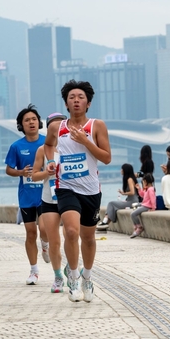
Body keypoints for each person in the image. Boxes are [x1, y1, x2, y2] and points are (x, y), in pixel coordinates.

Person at [44, 80, 111, 303]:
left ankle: (87, 277)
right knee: (71, 231)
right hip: (66, 187)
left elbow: (106, 158)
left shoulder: (96, 126)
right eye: (71, 97)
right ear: (66, 103)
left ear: (88, 103)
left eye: (81, 97)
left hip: (91, 189)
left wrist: (85, 141)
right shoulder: (57, 127)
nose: (76, 101)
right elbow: (48, 145)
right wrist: (51, 162)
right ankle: (72, 277)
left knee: (88, 238)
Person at [5, 104, 50, 285]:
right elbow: (9, 169)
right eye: (27, 120)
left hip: (46, 193)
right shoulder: (16, 146)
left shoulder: (48, 143)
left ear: (39, 122)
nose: (31, 122)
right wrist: (20, 172)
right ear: (21, 125)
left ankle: (45, 245)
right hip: (26, 196)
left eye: (34, 119)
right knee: (31, 233)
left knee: (45, 229)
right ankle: (34, 271)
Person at [31, 112, 68, 293]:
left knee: (71, 235)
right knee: (54, 241)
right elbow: (34, 175)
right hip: (49, 197)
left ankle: (72, 267)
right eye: (54, 125)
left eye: (61, 124)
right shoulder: (42, 150)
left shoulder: (72, 146)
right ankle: (58, 276)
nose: (57, 128)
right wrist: (47, 172)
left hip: (70, 196)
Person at [97, 163, 139, 229]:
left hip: (132, 202)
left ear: (125, 170)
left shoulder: (130, 179)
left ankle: (105, 221)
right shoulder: (130, 178)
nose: (121, 170)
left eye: (122, 169)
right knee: (113, 206)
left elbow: (132, 192)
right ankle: (105, 224)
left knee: (111, 203)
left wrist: (123, 193)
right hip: (130, 200)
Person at [130, 173, 156, 238]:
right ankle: (136, 227)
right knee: (133, 212)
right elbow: (142, 195)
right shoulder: (147, 189)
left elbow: (153, 199)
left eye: (143, 181)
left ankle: (139, 227)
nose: (143, 183)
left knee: (133, 214)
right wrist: (139, 189)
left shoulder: (151, 189)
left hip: (147, 206)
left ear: (146, 181)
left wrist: (153, 208)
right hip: (144, 205)